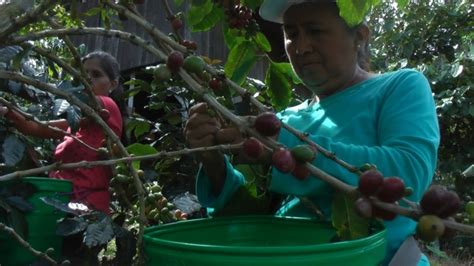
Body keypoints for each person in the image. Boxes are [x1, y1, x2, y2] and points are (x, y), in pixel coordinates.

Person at [184, 1, 440, 265]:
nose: (302, 47)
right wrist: (215, 165)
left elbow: (408, 173)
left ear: (360, 37)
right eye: (292, 34)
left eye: (315, 31)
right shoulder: (283, 120)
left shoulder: (399, 86)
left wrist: (279, 148)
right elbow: (246, 222)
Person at [0, 51, 124, 215]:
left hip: (86, 208)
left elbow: (89, 102)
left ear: (113, 84)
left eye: (96, 74)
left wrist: (58, 90)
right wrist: (8, 110)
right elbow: (36, 127)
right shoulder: (77, 122)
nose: (87, 79)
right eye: (82, 73)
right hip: (63, 202)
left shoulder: (108, 105)